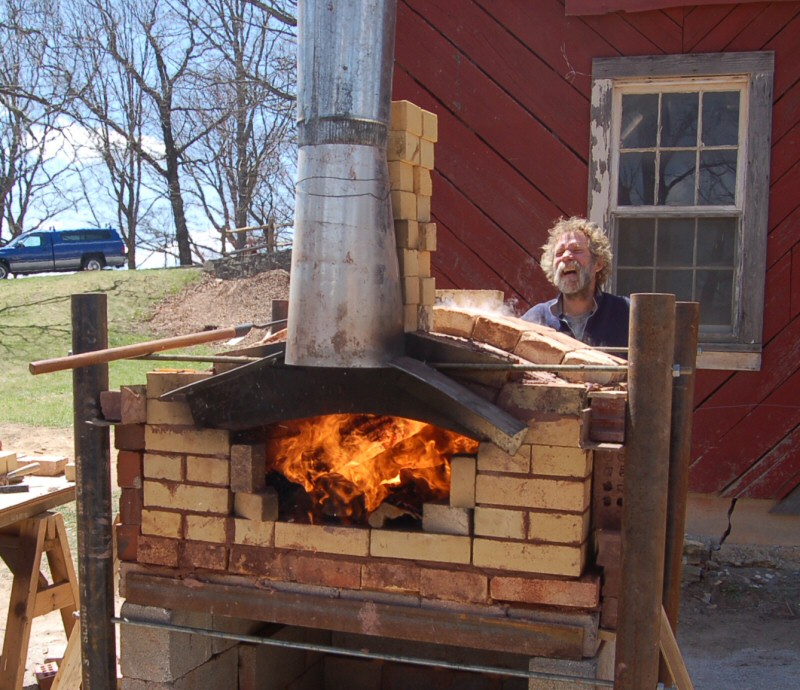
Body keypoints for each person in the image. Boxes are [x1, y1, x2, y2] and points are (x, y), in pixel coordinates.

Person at [521, 216, 629, 348]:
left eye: (577, 250)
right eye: (559, 253)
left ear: (598, 264)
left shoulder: (627, 313)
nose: (566, 256)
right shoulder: (536, 318)